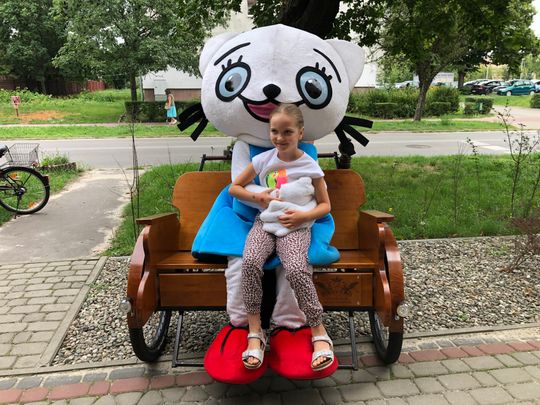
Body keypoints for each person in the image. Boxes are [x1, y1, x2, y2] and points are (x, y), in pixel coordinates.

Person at [228, 104, 335, 372]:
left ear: (300, 133)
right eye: (275, 131)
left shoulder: (310, 166)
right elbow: (235, 187)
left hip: (296, 226)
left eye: (287, 132)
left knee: (297, 269)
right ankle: (255, 331)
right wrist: (257, 197)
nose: (280, 137)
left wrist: (302, 217)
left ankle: (318, 329)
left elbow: (325, 205)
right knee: (250, 262)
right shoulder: (264, 160)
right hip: (265, 222)